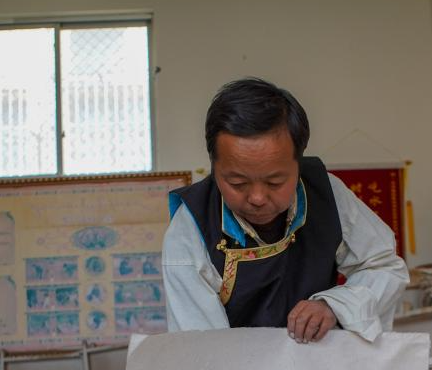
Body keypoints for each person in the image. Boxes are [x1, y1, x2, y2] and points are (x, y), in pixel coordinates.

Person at [162, 78, 409, 344]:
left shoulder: (326, 194)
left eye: (275, 182)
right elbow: (202, 347)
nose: (257, 198)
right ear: (213, 166)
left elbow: (384, 267)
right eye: (237, 183)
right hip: (235, 365)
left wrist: (336, 305)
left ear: (298, 164)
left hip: (319, 361)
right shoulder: (190, 229)